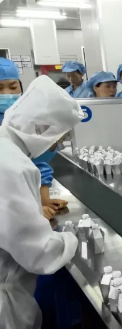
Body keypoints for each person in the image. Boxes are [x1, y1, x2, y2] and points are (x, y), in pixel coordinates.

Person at [0, 75, 82, 329]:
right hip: (4, 303)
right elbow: (39, 253)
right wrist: (72, 239)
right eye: (58, 137)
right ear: (41, 128)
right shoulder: (12, 165)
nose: (58, 145)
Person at [0, 58, 67, 219]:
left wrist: (43, 200)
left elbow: (36, 161)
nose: (7, 94)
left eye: (13, 87)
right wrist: (28, 210)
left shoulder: (23, 117)